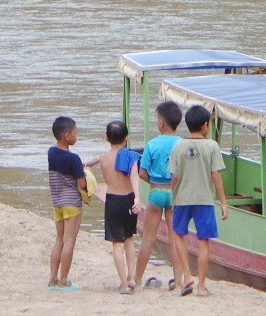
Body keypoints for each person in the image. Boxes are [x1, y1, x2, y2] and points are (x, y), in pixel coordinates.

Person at [168, 104, 230, 298]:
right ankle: (201, 286)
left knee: (178, 234)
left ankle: (187, 275)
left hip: (182, 198)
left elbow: (174, 176)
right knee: (203, 241)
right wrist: (224, 202)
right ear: (205, 125)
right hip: (204, 200)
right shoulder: (212, 146)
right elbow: (216, 176)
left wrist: (173, 195)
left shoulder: (178, 145)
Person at [132, 100, 191, 293]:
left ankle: (137, 281)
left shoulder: (152, 144)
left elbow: (142, 173)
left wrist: (154, 183)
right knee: (176, 239)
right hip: (175, 194)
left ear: (161, 123)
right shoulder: (183, 144)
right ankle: (179, 282)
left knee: (148, 239)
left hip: (156, 193)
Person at [48, 114, 99, 291]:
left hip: (57, 202)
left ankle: (53, 278)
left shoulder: (51, 152)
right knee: (70, 241)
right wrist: (86, 175)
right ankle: (63, 280)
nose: (77, 135)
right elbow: (81, 184)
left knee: (59, 240)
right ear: (67, 136)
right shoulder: (74, 159)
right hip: (72, 203)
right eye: (75, 133)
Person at [93, 119, 142, 293]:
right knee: (129, 239)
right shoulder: (130, 156)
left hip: (113, 200)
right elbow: (135, 177)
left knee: (117, 243)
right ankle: (131, 278)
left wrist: (87, 165)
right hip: (129, 199)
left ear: (106, 138)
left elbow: (92, 162)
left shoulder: (103, 158)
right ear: (126, 138)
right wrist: (137, 198)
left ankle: (123, 284)